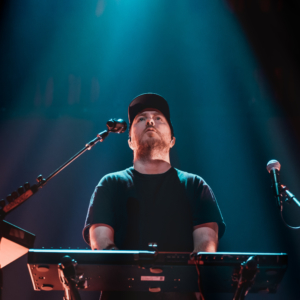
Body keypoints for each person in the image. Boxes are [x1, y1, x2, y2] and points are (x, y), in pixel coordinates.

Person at [83, 93, 226, 300]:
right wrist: (137, 275)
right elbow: (101, 243)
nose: (150, 121)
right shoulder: (110, 184)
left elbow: (206, 247)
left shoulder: (195, 185)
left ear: (172, 140)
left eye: (158, 118)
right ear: (130, 141)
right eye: (141, 119)